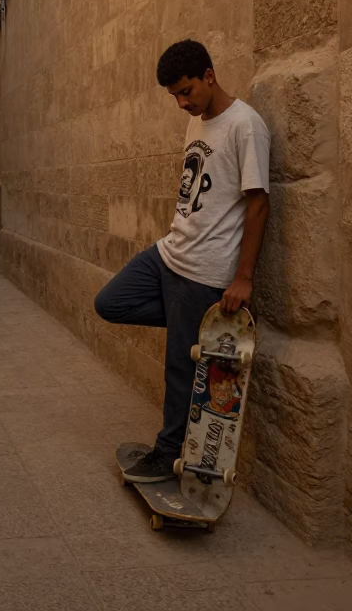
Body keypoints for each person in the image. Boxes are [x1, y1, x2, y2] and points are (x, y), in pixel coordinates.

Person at [94, 39, 270, 483]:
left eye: (186, 91)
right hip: (170, 250)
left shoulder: (245, 126)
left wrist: (243, 278)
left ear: (209, 75)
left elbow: (259, 204)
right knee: (110, 302)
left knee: (180, 368)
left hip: (205, 267)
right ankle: (192, 327)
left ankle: (168, 453)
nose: (181, 102)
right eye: (174, 95)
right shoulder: (197, 122)